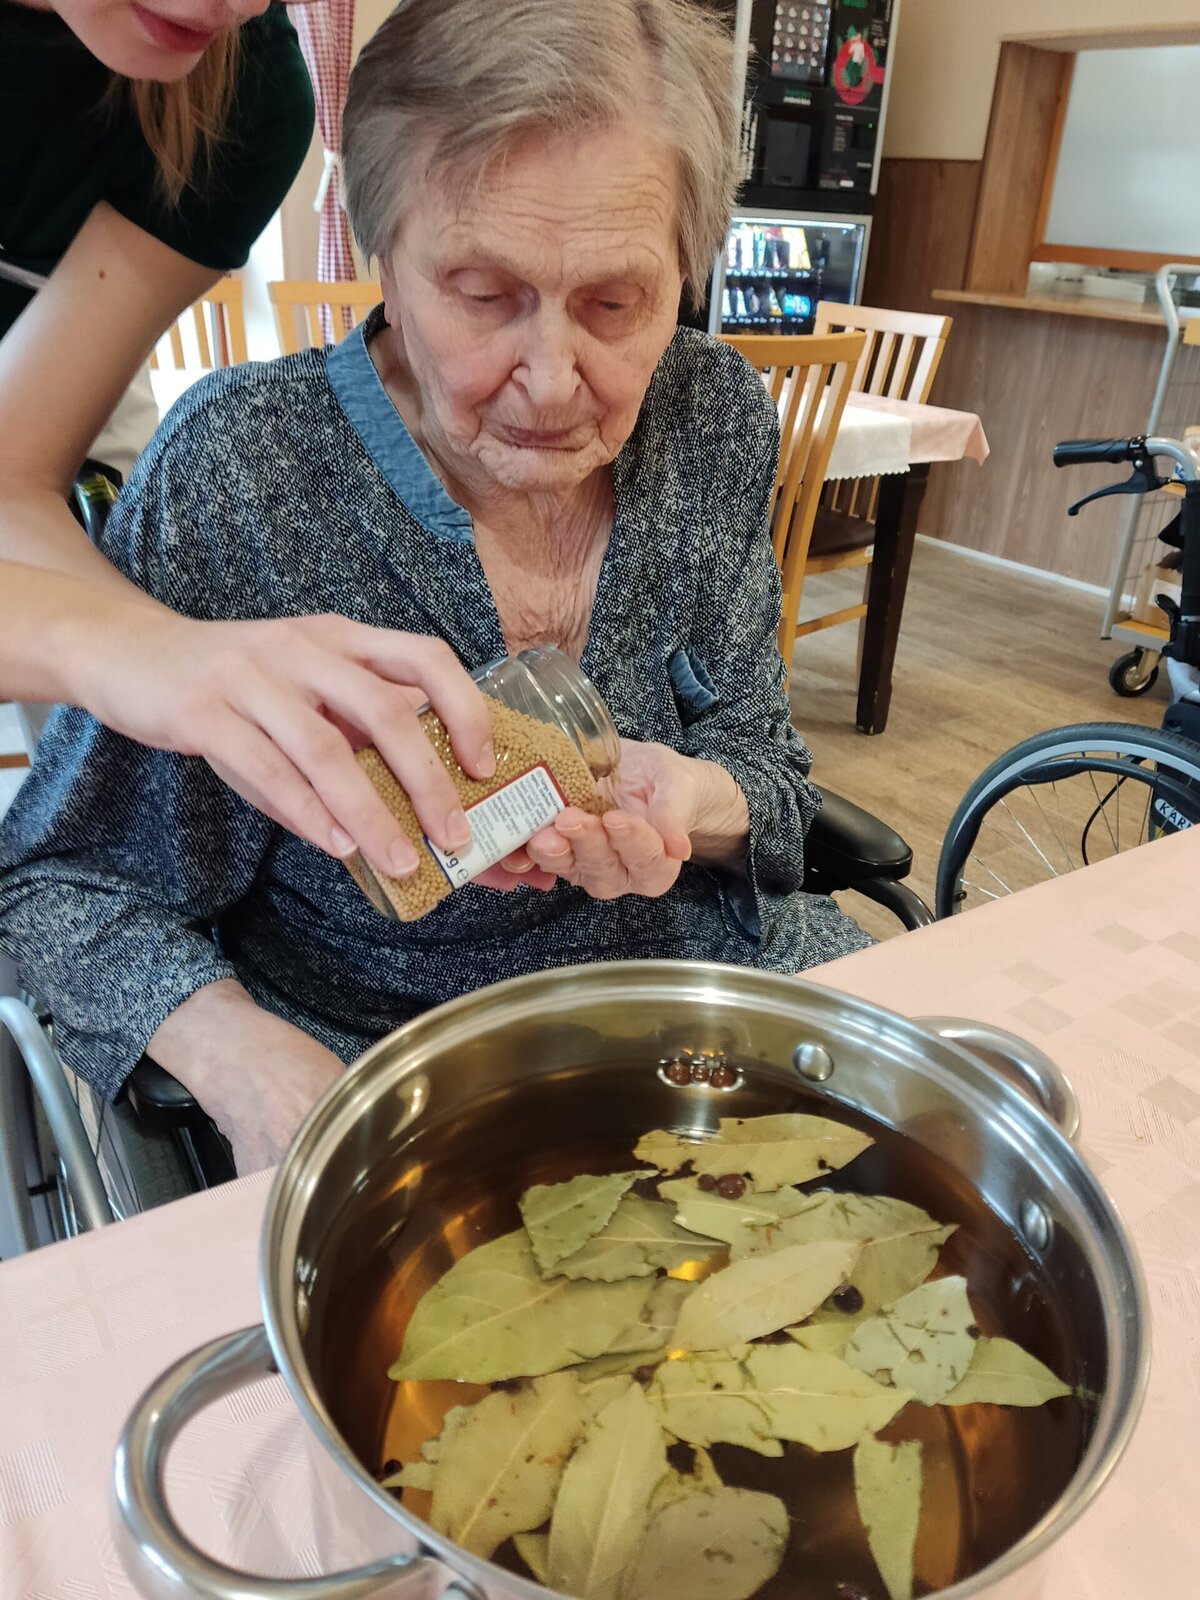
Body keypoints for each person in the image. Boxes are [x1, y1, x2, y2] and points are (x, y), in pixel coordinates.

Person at [0, 0, 871, 1178]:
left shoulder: (708, 417)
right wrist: (244, 1059)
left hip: (701, 1026)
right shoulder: (245, 473)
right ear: (383, 260)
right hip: (411, 1084)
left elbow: (767, 774)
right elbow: (66, 880)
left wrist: (693, 800)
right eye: (481, 293)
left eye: (617, 304)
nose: (553, 380)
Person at [0, 0, 496, 880]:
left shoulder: (242, 94)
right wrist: (117, 650)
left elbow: (12, 475)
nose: (231, 6)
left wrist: (186, 661)